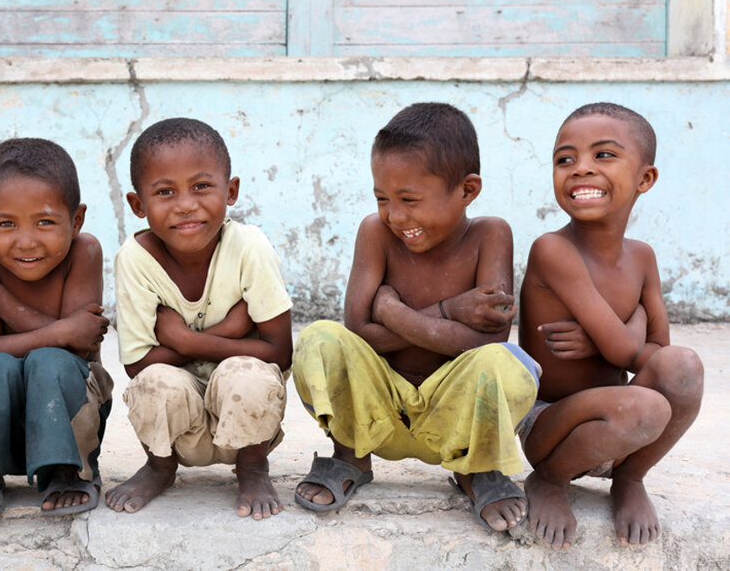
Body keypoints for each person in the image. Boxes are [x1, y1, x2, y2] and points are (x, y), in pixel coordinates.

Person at [292, 102, 540, 532]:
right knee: (320, 340)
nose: (396, 215)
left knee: (508, 365)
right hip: (378, 412)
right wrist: (449, 313)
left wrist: (390, 311)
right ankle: (350, 455)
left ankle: (475, 467)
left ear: (467, 190)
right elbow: (358, 333)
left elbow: (486, 343)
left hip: (455, 416)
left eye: (409, 200)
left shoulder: (490, 234)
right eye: (382, 198)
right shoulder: (376, 232)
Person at [518, 102, 704, 549]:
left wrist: (619, 335)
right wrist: (630, 328)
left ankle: (629, 477)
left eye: (603, 155)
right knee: (645, 407)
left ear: (645, 179)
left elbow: (661, 352)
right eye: (565, 159)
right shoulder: (553, 249)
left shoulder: (642, 257)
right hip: (549, 423)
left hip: (616, 427)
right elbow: (626, 352)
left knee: (685, 367)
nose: (581, 169)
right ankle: (550, 480)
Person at [104, 118, 293, 519]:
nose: (185, 203)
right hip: (179, 423)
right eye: (165, 192)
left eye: (201, 186)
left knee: (250, 375)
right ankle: (160, 466)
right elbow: (137, 364)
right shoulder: (135, 260)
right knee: (154, 383)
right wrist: (229, 331)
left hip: (246, 419)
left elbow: (279, 352)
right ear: (138, 205)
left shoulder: (249, 247)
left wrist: (187, 340)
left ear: (232, 191)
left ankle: (253, 467)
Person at [0, 138, 112, 519]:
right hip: (1, 419)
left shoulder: (83, 252)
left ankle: (68, 469)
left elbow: (79, 348)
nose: (26, 241)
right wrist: (62, 330)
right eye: (5, 224)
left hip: (68, 414)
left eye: (45, 222)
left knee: (51, 362)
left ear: (76, 220)